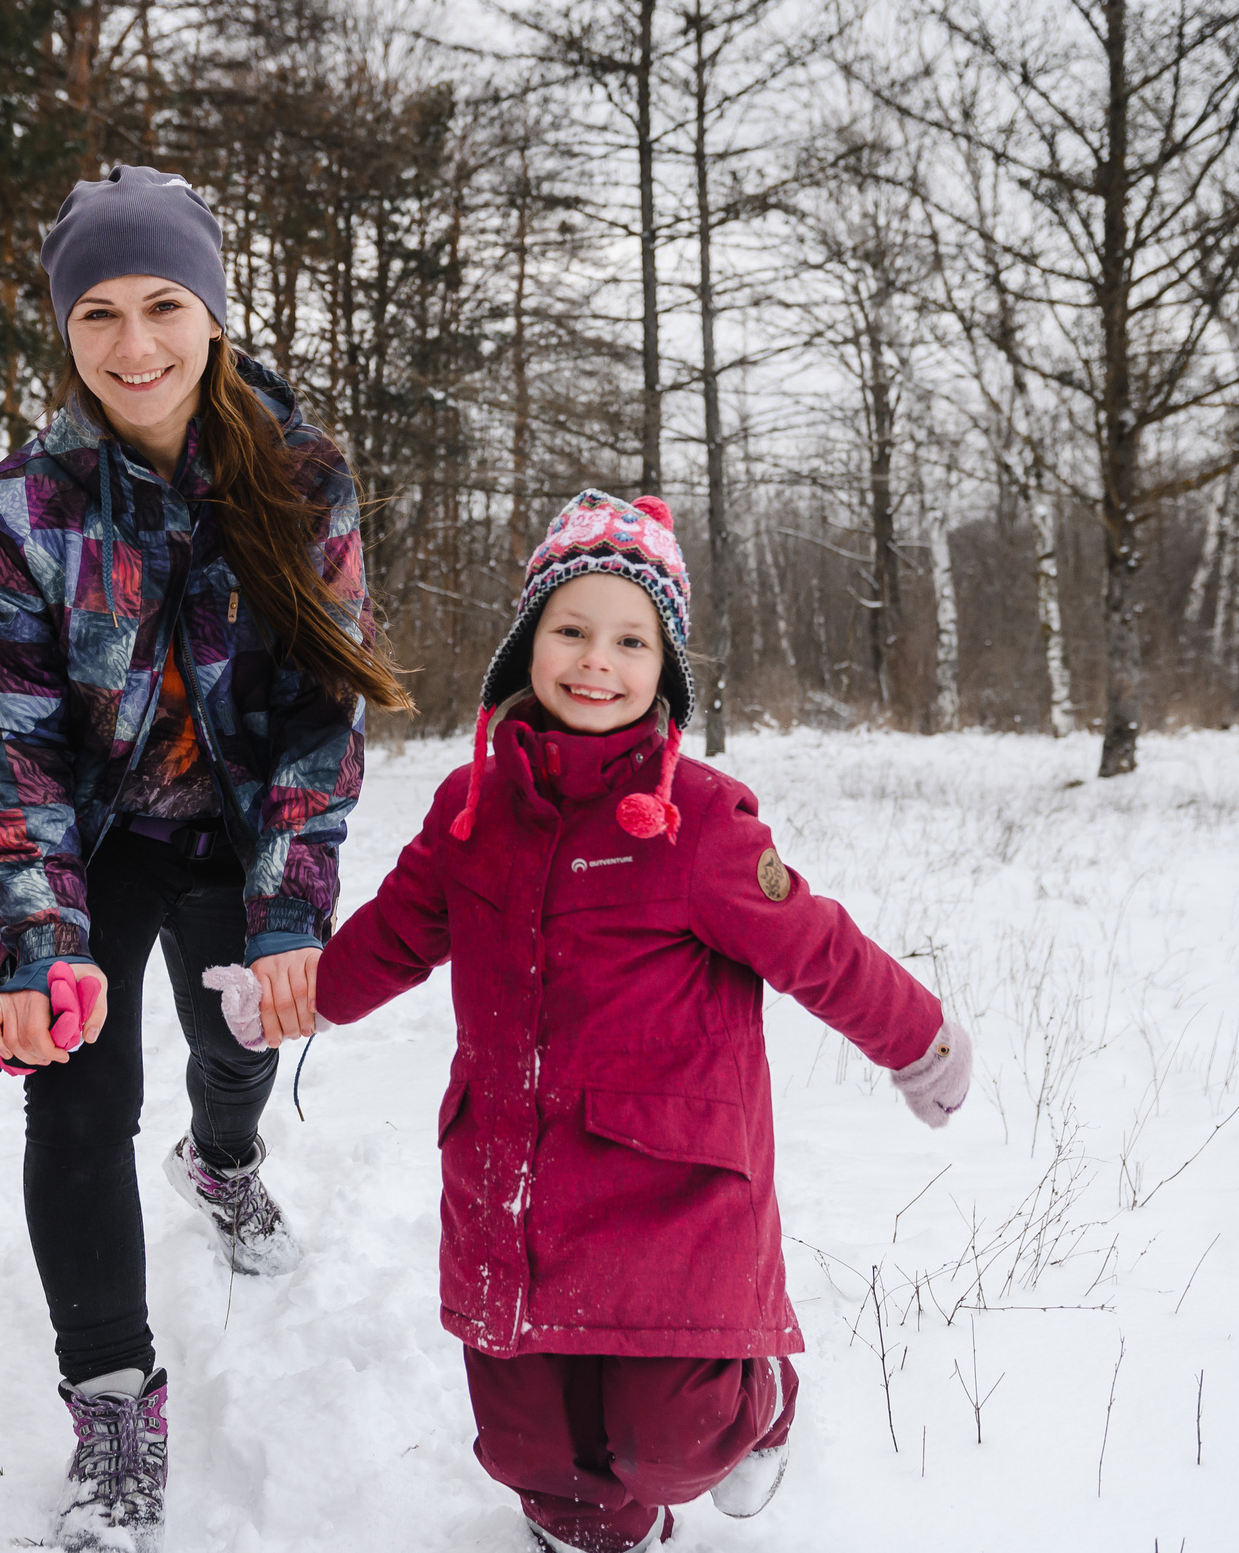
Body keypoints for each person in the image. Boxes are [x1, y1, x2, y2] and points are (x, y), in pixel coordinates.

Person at [305, 490, 973, 1553]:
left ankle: (757, 1406)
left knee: (673, 1443)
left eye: (631, 641)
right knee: (530, 1452)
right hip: (509, 1182)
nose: (595, 662)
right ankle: (596, 1532)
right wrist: (296, 995)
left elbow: (815, 944)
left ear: (667, 670)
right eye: (570, 630)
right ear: (527, 644)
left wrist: (919, 1038)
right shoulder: (469, 811)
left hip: (671, 1193)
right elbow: (395, 930)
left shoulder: (697, 821)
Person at [0, 165, 412, 1551]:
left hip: (238, 831)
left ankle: (223, 1158)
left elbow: (318, 713)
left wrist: (290, 913)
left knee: (243, 1047)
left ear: (214, 312)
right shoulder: (27, 505)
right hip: (92, 842)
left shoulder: (299, 479)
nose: (134, 345)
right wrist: (35, 941)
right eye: (98, 313)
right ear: (65, 328)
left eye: (164, 305)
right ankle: (110, 1398)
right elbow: (9, 734)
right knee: (79, 1099)